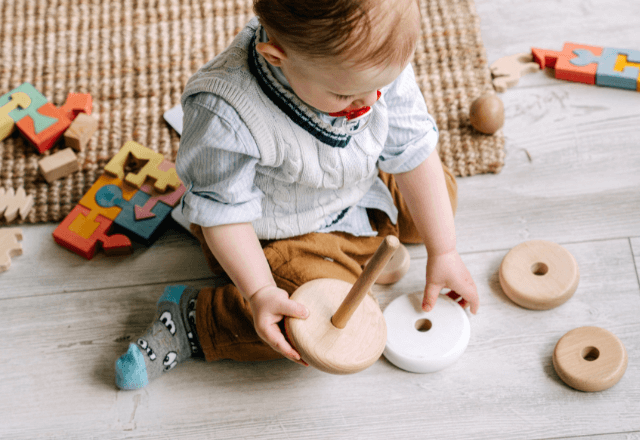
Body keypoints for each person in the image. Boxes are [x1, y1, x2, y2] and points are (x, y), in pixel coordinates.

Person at [115, 0, 479, 390]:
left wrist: (444, 250)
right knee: (310, 322)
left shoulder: (369, 64)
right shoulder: (224, 111)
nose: (371, 102)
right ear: (276, 57)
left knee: (439, 199)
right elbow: (224, 216)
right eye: (346, 96)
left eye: (380, 85)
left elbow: (411, 147)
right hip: (277, 231)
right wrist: (259, 292)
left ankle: (368, 242)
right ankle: (194, 320)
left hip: (356, 185)